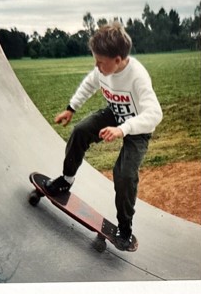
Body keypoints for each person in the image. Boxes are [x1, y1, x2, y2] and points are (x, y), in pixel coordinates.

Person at [44, 22, 163, 252]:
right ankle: (66, 180)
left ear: (118, 60)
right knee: (80, 131)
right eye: (95, 61)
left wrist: (123, 129)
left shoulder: (137, 76)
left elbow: (155, 113)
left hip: (138, 127)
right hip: (114, 114)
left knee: (124, 174)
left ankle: (125, 230)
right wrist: (71, 108)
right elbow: (89, 85)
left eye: (100, 62)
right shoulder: (101, 71)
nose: (96, 66)